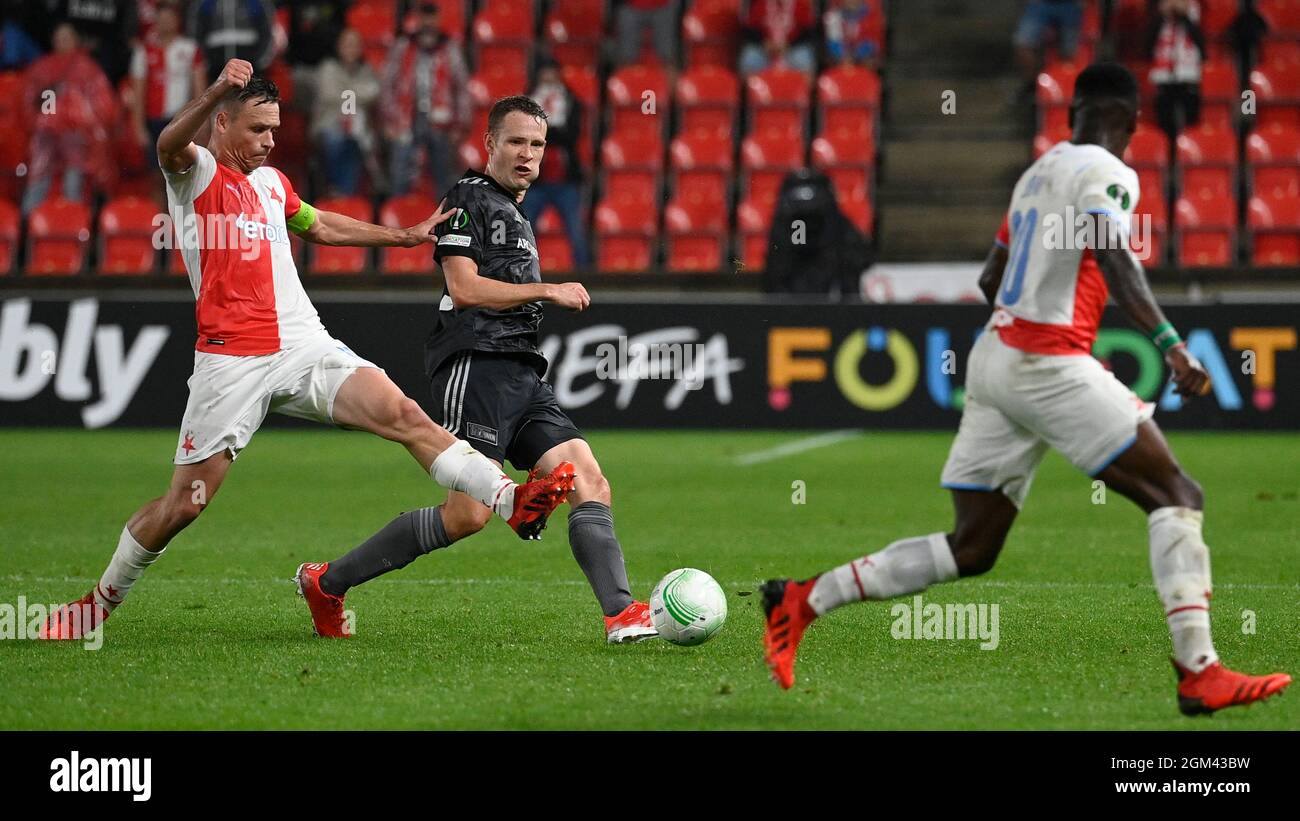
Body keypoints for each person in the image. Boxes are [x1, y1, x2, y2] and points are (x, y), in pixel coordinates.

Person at [760, 64, 1292, 716]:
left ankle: (803, 597)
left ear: (1073, 110)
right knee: (1176, 493)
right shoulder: (1108, 171)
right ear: (1129, 119)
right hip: (1045, 361)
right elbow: (1112, 250)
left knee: (972, 547)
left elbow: (991, 278)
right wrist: (1170, 345)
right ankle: (1198, 670)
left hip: (996, 358)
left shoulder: (1036, 174)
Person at [38, 61, 576, 642]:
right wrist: (216, 85)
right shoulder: (194, 173)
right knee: (185, 504)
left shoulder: (272, 184)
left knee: (403, 415)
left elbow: (318, 226)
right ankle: (97, 604)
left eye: (274, 129)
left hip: (302, 344)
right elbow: (167, 142)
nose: (269, 141)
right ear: (221, 123)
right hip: (232, 359)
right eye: (256, 130)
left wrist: (400, 235)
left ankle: (508, 500)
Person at [297, 96, 659, 644]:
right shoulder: (468, 199)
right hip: (477, 365)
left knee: (590, 480)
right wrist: (547, 288)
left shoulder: (514, 210)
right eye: (515, 142)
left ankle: (621, 613)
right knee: (466, 515)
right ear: (489, 143)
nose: (527, 154)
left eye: (537, 145)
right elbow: (463, 289)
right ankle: (328, 583)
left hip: (522, 374)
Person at [20, 23, 116, 214]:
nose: (62, 41)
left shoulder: (88, 69)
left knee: (73, 183)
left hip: (76, 137)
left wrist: (80, 125)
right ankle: (27, 228)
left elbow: (102, 105)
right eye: (59, 37)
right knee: (38, 179)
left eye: (67, 37)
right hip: (46, 136)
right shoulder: (42, 68)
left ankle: (72, 225)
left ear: (75, 40)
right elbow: (29, 102)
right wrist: (43, 123)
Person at [382, 2, 470, 198]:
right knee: (399, 174)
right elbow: (388, 84)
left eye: (432, 17)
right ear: (417, 20)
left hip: (441, 122)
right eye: (424, 17)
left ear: (438, 20)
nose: (428, 22)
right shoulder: (403, 46)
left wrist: (460, 124)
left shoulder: (450, 48)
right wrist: (389, 120)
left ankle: (444, 222)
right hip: (406, 119)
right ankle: (397, 220)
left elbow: (462, 88)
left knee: (444, 177)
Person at [522, 59, 591, 269]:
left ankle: (585, 274)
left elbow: (572, 135)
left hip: (565, 180)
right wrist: (552, 132)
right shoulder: (526, 102)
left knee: (575, 229)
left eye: (552, 73)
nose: (549, 77)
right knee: (525, 230)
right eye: (545, 73)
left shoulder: (571, 101)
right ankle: (521, 272)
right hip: (536, 180)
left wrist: (543, 133)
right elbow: (524, 134)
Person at [130, 1, 206, 170]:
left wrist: (199, 123)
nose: (165, 23)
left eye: (169, 18)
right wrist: (138, 126)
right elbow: (138, 91)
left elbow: (199, 90)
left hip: (180, 119)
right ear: (155, 21)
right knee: (155, 174)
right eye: (161, 19)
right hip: (153, 121)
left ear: (177, 20)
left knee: (183, 171)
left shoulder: (190, 49)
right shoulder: (143, 51)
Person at [310, 28, 382, 197]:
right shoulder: (328, 68)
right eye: (347, 45)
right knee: (337, 139)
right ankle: (339, 191)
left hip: (359, 128)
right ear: (339, 47)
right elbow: (328, 93)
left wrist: (345, 90)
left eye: (355, 45)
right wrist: (357, 92)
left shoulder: (366, 70)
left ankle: (343, 195)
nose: (351, 49)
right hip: (328, 125)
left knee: (356, 142)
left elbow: (375, 92)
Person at [1146, 0, 1205, 144]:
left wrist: (1184, 17)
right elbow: (1147, 46)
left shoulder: (1192, 22)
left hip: (1188, 76)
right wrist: (1162, 16)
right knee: (1164, 121)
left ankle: (1189, 150)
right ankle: (1165, 152)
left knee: (1191, 120)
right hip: (1164, 77)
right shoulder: (1158, 23)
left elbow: (1202, 47)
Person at [740, 0, 817, 76]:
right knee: (750, 58)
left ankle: (804, 88)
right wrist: (764, 43)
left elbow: (808, 32)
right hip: (765, 47)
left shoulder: (799, 5)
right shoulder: (760, 4)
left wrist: (790, 45)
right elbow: (750, 30)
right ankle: (751, 88)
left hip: (792, 48)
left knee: (804, 59)